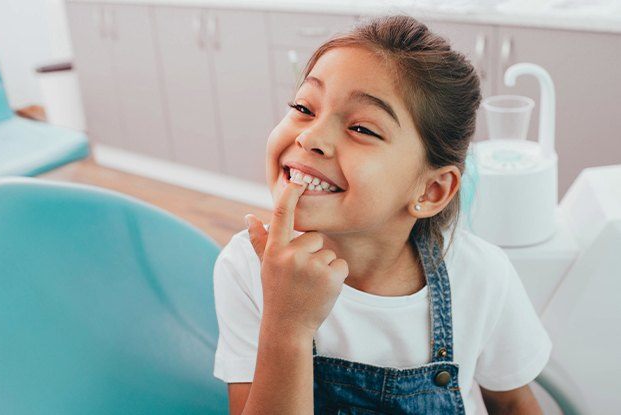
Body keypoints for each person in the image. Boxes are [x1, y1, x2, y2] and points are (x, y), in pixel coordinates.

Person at [212, 14, 552, 414]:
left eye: (362, 129)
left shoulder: (483, 277)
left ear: (430, 190)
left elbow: (513, 404)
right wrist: (287, 325)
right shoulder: (248, 268)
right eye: (304, 106)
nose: (310, 136)